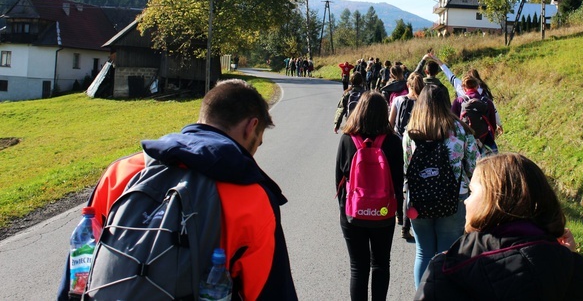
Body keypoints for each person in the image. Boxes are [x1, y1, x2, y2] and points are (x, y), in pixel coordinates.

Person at [56, 79, 297, 301]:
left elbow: (79, 269)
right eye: (258, 140)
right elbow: (270, 291)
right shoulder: (253, 197)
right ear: (251, 126)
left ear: (204, 115)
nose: (255, 151)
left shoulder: (121, 172)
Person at [415, 153, 583, 300]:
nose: (466, 200)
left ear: (494, 200)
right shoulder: (574, 269)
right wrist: (564, 259)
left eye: (472, 192)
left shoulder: (447, 269)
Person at [403, 85, 479, 289]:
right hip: (454, 197)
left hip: (418, 199)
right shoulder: (460, 129)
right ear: (447, 103)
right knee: (447, 254)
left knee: (423, 252)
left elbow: (406, 166)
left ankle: (423, 295)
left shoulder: (411, 131)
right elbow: (474, 166)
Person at [335, 91, 404, 301]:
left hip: (354, 211)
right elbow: (398, 181)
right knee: (381, 264)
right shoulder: (392, 141)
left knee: (358, 267)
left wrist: (344, 209)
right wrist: (398, 212)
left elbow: (339, 178)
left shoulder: (348, 139)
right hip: (383, 212)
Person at [389, 72, 424, 242]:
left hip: (399, 145)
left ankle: (399, 215)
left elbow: (390, 123)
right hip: (418, 146)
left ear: (408, 86)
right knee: (412, 186)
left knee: (401, 183)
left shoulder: (398, 100)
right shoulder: (424, 103)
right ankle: (408, 224)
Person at [451, 74, 500, 155]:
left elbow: (453, 122)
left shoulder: (458, 101)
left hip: (466, 140)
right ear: (477, 86)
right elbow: (492, 124)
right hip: (485, 138)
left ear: (463, 88)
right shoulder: (487, 101)